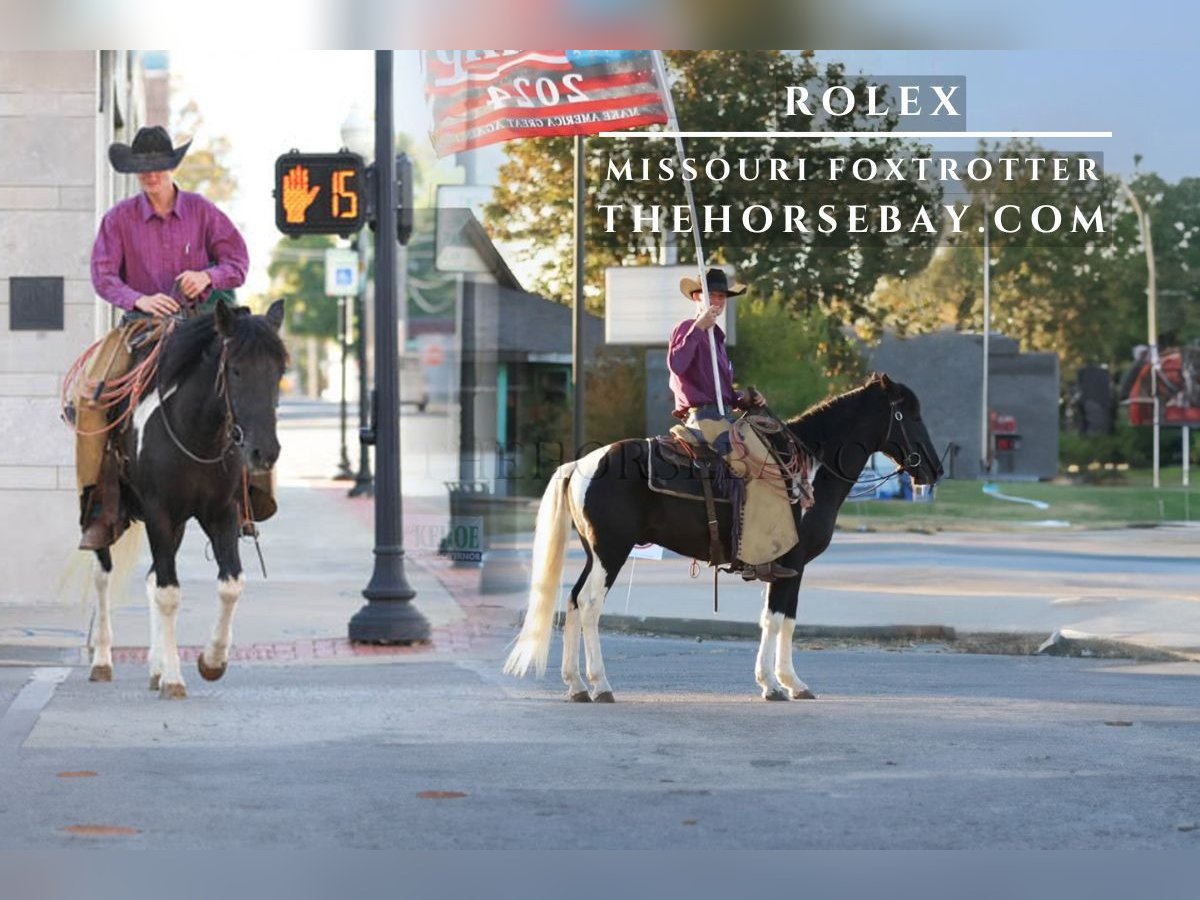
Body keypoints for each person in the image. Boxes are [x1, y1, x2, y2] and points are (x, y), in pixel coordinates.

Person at [74, 125, 266, 550]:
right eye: (142, 169)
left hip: (200, 326)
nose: (150, 176)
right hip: (140, 329)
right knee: (91, 401)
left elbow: (237, 261)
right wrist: (139, 299)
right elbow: (102, 276)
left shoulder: (202, 212)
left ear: (171, 166)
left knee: (250, 385)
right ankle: (100, 508)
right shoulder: (118, 219)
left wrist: (207, 275)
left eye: (158, 167)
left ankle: (246, 498)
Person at [667, 267, 801, 582]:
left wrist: (743, 399)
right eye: (710, 295)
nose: (717, 301)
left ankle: (765, 549)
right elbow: (676, 365)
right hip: (703, 419)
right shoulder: (688, 328)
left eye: (721, 296)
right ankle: (751, 556)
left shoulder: (718, 339)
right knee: (753, 467)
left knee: (772, 462)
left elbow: (722, 392)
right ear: (696, 297)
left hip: (723, 414)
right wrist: (698, 328)